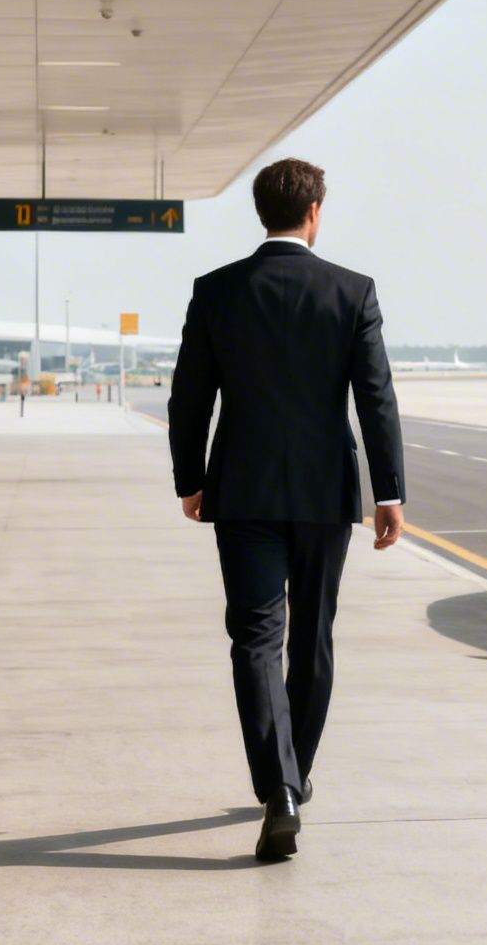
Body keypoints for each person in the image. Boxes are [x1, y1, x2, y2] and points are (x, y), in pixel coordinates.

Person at [167, 157, 406, 862]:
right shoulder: (351, 291)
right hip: (325, 493)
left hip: (240, 491)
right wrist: (388, 491)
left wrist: (190, 479)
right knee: (314, 637)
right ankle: (293, 778)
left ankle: (279, 785)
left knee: (254, 639)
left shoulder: (215, 292)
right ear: (314, 213)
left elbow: (189, 397)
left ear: (261, 212)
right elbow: (376, 396)